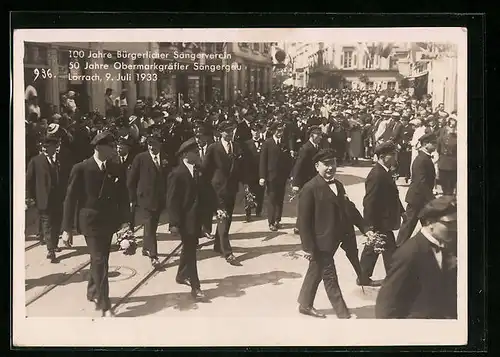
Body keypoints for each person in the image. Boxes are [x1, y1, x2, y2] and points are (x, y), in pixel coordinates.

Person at [297, 149, 371, 319]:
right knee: (330, 277)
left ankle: (304, 304)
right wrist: (307, 248)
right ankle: (343, 313)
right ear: (317, 166)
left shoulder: (338, 185)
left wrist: (365, 228)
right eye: (326, 164)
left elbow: (349, 209)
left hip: (336, 238)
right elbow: (303, 222)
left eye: (333, 163)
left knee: (315, 271)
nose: (331, 167)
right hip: (320, 243)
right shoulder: (310, 188)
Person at [61, 131, 128, 317]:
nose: (114, 150)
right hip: (90, 222)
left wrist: (125, 223)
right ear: (98, 147)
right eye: (110, 147)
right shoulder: (81, 168)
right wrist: (66, 229)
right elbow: (70, 199)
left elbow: (123, 197)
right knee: (99, 260)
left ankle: (92, 290)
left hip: (109, 221)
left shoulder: (116, 168)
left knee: (101, 259)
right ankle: (104, 303)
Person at [375, 196, 457, 319]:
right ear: (430, 223)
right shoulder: (409, 253)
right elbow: (386, 305)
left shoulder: (449, 244)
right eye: (449, 223)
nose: (455, 228)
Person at [358, 142, 405, 286]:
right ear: (383, 157)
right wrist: (370, 226)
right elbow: (369, 202)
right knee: (388, 249)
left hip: (383, 220)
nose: (396, 157)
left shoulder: (384, 171)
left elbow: (393, 195)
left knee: (374, 249)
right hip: (380, 221)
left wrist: (402, 211)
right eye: (393, 154)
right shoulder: (377, 175)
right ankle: (394, 279)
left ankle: (363, 276)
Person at [167, 138, 206, 299]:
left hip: (197, 218)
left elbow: (206, 192)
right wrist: (173, 223)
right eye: (194, 150)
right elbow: (172, 200)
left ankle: (181, 275)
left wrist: (217, 208)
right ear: (185, 154)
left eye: (197, 149)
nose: (197, 152)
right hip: (184, 220)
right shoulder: (176, 174)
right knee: (191, 251)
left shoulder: (199, 170)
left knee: (190, 247)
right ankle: (195, 286)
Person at [202, 121, 243, 266]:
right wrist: (206, 188)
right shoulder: (214, 148)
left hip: (231, 189)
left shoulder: (236, 147)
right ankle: (228, 252)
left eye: (232, 130)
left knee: (228, 218)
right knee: (223, 220)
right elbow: (206, 169)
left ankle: (218, 245)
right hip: (217, 190)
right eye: (227, 131)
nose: (230, 134)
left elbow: (239, 167)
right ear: (220, 133)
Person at [127, 131, 170, 268]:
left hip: (160, 199)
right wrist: (132, 198)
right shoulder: (140, 158)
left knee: (152, 224)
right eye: (149, 144)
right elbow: (131, 180)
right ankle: (154, 256)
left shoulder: (166, 158)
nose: (151, 147)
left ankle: (146, 248)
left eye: (154, 144)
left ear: (160, 145)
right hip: (145, 198)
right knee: (151, 226)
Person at [26, 135, 70, 262]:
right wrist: (32, 198)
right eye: (46, 147)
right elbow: (29, 181)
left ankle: (54, 245)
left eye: (51, 147)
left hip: (58, 197)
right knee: (47, 224)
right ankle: (50, 250)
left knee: (57, 222)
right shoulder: (36, 161)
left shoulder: (60, 160)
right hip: (44, 198)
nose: (48, 149)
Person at [396, 132, 437, 247]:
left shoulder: (424, 158)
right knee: (408, 227)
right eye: (433, 143)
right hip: (417, 199)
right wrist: (432, 199)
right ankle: (397, 252)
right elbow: (421, 182)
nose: (435, 145)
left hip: (421, 199)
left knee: (429, 227)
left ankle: (432, 252)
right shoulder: (421, 159)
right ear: (425, 144)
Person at [259, 121, 293, 232]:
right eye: (278, 131)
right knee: (272, 199)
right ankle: (271, 222)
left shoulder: (284, 143)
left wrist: (290, 174)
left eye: (281, 131)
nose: (280, 133)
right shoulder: (267, 143)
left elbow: (288, 160)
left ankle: (278, 220)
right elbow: (263, 161)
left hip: (282, 177)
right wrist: (262, 176)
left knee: (280, 198)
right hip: (271, 176)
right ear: (273, 131)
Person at [290, 125, 322, 234]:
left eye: (320, 134)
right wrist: (295, 183)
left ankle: (306, 225)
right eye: (318, 134)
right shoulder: (306, 148)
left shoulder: (317, 147)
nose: (320, 137)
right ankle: (299, 226)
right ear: (311, 135)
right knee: (304, 203)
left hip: (313, 180)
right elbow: (298, 166)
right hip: (305, 181)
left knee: (312, 203)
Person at [241, 122, 265, 222]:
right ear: (251, 131)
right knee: (249, 194)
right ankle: (248, 213)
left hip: (261, 172)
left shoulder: (265, 143)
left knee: (260, 192)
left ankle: (258, 210)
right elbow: (244, 161)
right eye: (254, 131)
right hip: (250, 173)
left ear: (260, 131)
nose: (256, 133)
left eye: (257, 131)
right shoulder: (246, 144)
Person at [436, 117, 458, 195]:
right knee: (446, 186)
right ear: (447, 127)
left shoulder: (457, 139)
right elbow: (438, 150)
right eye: (450, 125)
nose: (452, 127)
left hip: (451, 164)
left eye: (453, 126)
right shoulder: (441, 138)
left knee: (449, 186)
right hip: (445, 163)